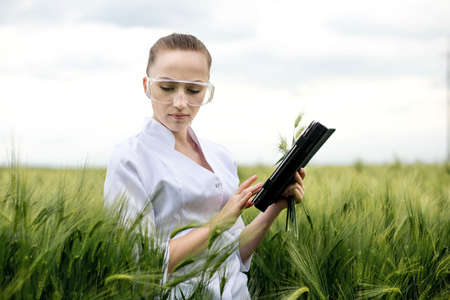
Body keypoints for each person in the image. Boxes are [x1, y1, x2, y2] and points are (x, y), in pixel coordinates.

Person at [104, 33, 306, 299]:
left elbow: (234, 253)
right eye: (167, 88)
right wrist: (218, 224)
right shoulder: (129, 160)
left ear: (208, 89)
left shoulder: (220, 156)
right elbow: (140, 264)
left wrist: (275, 206)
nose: (180, 102)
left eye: (194, 90)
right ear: (146, 86)